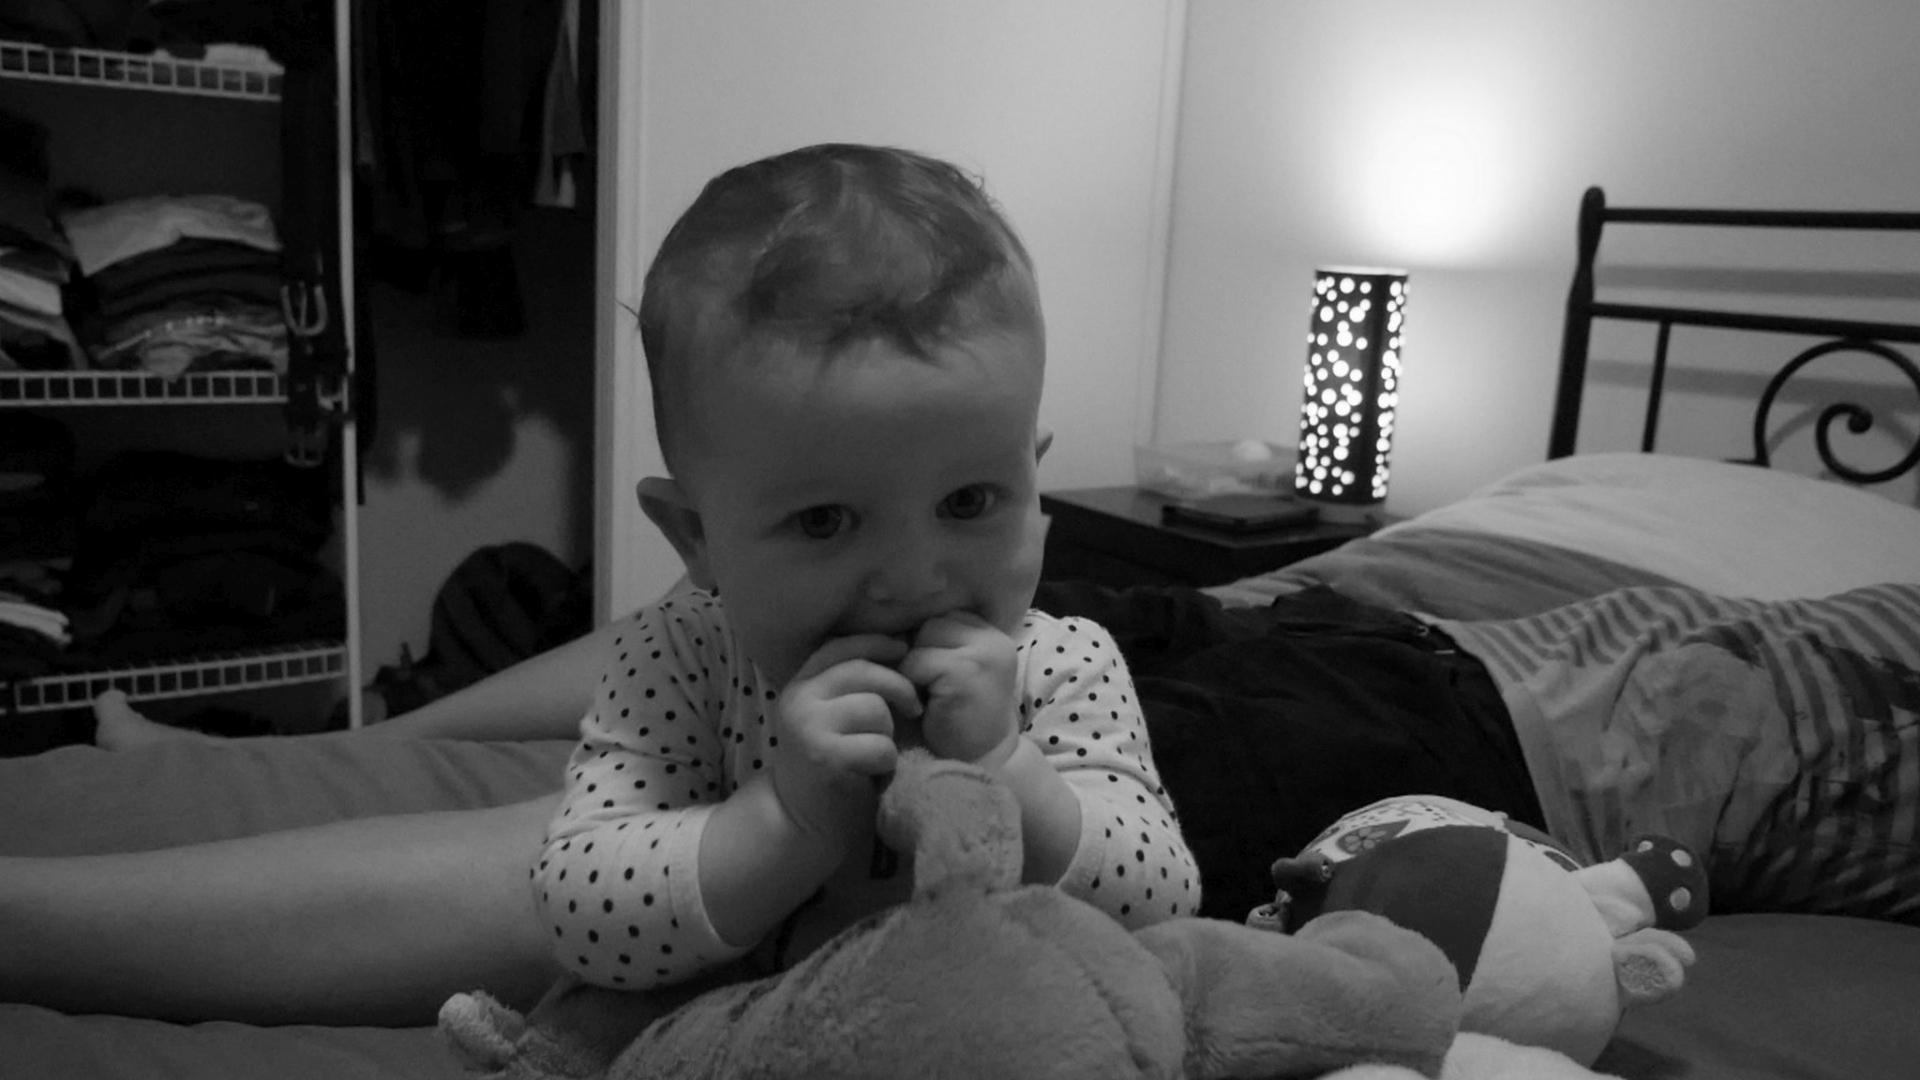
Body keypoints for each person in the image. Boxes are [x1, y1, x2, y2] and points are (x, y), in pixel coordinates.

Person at [0, 143, 1200, 1025]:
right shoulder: (681, 659)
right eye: (825, 521)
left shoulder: (1061, 665)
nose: (912, 577)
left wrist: (1011, 770)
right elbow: (578, 899)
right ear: (695, 539)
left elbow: (1160, 899)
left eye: (972, 502)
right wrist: (778, 820)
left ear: (1037, 485)